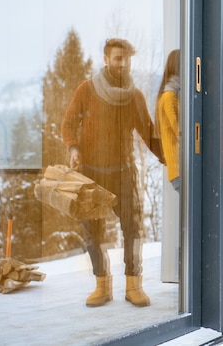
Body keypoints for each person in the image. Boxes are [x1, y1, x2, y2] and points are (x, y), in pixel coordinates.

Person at [61, 38, 164, 308]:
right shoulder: (87, 90)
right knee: (93, 233)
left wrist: (169, 159)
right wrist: (73, 148)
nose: (123, 63)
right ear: (106, 59)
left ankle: (133, 286)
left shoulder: (134, 96)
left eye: (127, 59)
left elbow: (150, 134)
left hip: (123, 173)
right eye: (118, 58)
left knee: (133, 228)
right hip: (91, 175)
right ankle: (102, 286)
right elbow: (69, 122)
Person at [155, 49, 181, 191]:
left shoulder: (173, 93)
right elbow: (179, 131)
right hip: (179, 169)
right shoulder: (170, 96)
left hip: (180, 169)